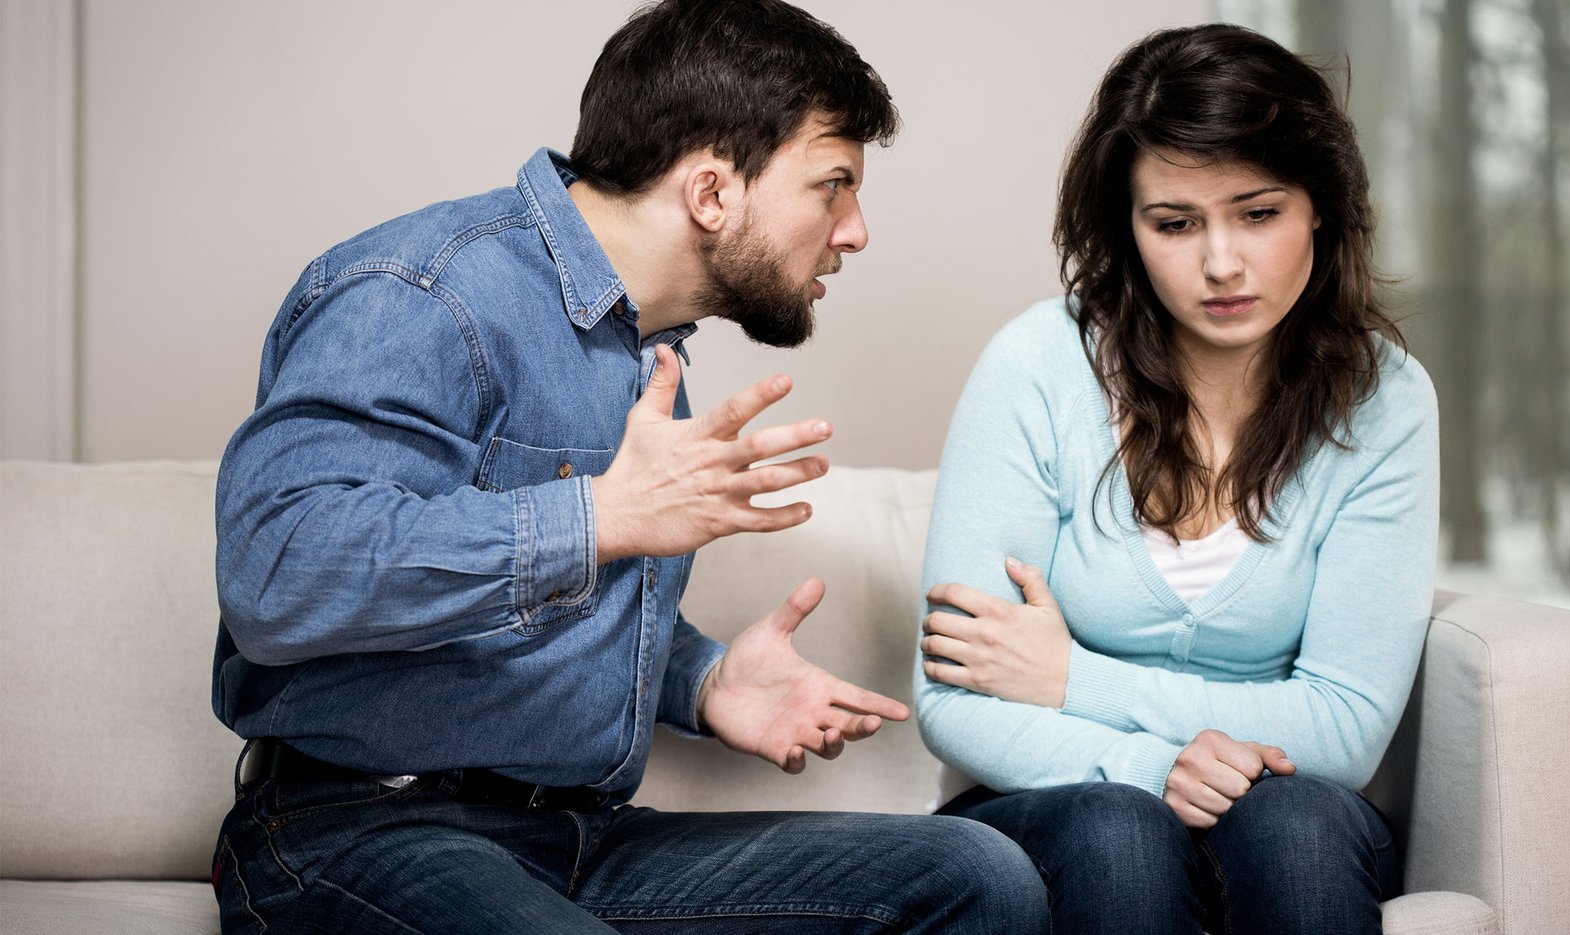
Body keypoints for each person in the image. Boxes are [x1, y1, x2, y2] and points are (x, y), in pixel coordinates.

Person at [209, 1, 1050, 932]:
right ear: (711, 192)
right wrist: (600, 516)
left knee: (977, 873)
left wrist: (702, 680)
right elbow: (275, 571)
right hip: (356, 831)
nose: (854, 231)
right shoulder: (427, 291)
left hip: (578, 835)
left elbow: (539, 607)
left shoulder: (645, 356)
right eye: (833, 186)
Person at [914, 23, 1439, 935]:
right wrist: (1151, 769)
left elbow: (1345, 727)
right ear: (1128, 228)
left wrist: (1076, 678)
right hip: (1058, 798)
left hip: (1280, 802)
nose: (1222, 263)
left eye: (1259, 213)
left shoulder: (1384, 399)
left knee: (1299, 828)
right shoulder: (1038, 366)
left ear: (1321, 207)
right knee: (1120, 832)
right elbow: (955, 696)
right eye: (1175, 223)